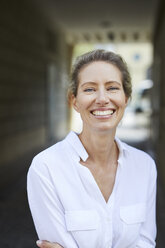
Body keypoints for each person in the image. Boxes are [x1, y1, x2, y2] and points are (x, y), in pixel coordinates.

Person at [27, 49, 157, 248]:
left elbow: (145, 243)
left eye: (112, 88)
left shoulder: (145, 166)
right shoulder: (46, 167)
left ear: (126, 98)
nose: (102, 98)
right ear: (74, 101)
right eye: (89, 89)